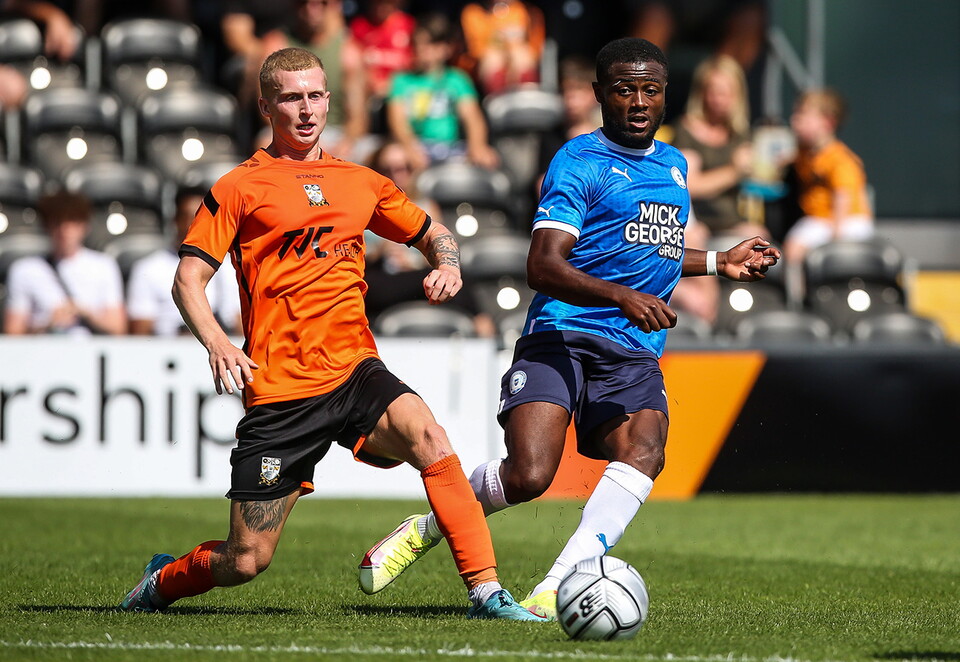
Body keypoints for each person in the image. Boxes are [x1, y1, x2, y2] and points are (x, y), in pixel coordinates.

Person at [358, 37, 780, 620]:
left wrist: (719, 262)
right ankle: (430, 526)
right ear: (600, 94)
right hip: (563, 333)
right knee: (531, 475)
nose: (638, 101)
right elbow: (543, 264)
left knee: (645, 452)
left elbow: (652, 248)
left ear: (664, 96)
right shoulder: (577, 161)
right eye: (625, 89)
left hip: (631, 348)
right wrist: (621, 296)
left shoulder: (675, 166)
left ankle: (558, 584)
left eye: (650, 90)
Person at [117, 46, 543, 622]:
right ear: (267, 105)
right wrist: (219, 343)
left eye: (316, 95)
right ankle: (162, 580)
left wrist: (447, 263)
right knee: (245, 560)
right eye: (292, 97)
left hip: (354, 370)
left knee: (432, 442)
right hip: (281, 392)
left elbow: (432, 230)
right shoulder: (240, 187)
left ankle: (487, 593)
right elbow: (187, 280)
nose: (307, 109)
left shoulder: (359, 181)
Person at [254, 0, 373, 163]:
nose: (311, 9)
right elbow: (267, 110)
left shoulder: (348, 52)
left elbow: (358, 117)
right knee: (264, 141)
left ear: (331, 6)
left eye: (320, 3)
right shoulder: (275, 45)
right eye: (304, 3)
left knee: (380, 154)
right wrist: (307, 143)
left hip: (338, 134)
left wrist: (344, 145)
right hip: (289, 132)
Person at [386, 12, 500, 173]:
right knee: (395, 157)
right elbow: (397, 122)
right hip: (416, 146)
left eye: (430, 44)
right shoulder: (402, 80)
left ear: (446, 48)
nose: (422, 49)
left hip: (449, 147)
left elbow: (473, 119)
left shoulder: (457, 80)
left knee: (487, 158)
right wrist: (410, 148)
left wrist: (477, 146)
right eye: (418, 44)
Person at [3, 190, 126, 335]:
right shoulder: (25, 269)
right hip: (42, 353)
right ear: (46, 226)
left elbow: (118, 329)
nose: (64, 230)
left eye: (72, 222)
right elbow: (12, 333)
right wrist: (48, 324)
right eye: (57, 222)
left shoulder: (104, 266)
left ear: (84, 226)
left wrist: (86, 314)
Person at [126, 186, 241, 336]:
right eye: (188, 216)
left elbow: (242, 327)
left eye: (201, 217)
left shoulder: (232, 267)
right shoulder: (148, 268)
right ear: (175, 219)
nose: (194, 224)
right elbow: (140, 333)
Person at [782, 88, 872, 277]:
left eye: (804, 115)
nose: (795, 120)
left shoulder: (840, 159)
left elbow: (843, 196)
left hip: (846, 221)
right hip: (820, 220)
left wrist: (836, 238)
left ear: (828, 122)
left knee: (794, 247)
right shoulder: (805, 152)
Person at [348, 0, 416, 131]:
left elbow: (415, 61)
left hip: (400, 89)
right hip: (369, 90)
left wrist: (391, 84)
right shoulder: (360, 26)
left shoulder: (408, 25)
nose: (382, 7)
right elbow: (354, 61)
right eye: (378, 2)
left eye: (388, 3)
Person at [458, 0, 545, 96]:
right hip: (484, 63)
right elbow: (476, 49)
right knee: (493, 57)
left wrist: (510, 50)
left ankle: (527, 99)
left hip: (516, 59)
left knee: (521, 54)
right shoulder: (473, 11)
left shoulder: (522, 9)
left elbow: (535, 47)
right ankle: (498, 100)